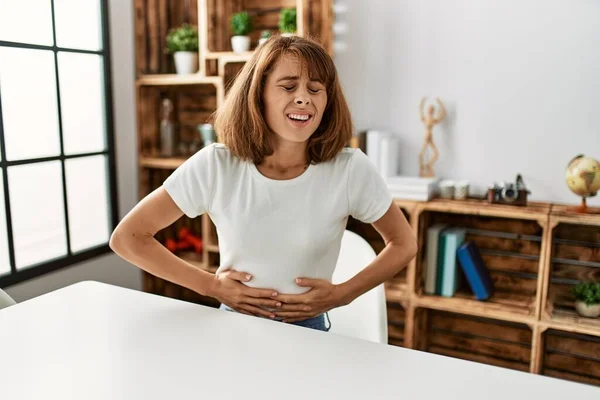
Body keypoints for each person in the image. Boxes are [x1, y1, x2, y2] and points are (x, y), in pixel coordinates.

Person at [109, 35, 417, 332]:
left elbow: (404, 243)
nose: (303, 98)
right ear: (258, 93)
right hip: (234, 326)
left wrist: (342, 294)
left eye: (315, 89)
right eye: (288, 86)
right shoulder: (217, 164)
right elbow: (128, 237)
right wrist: (211, 286)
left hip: (309, 330)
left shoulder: (350, 169)